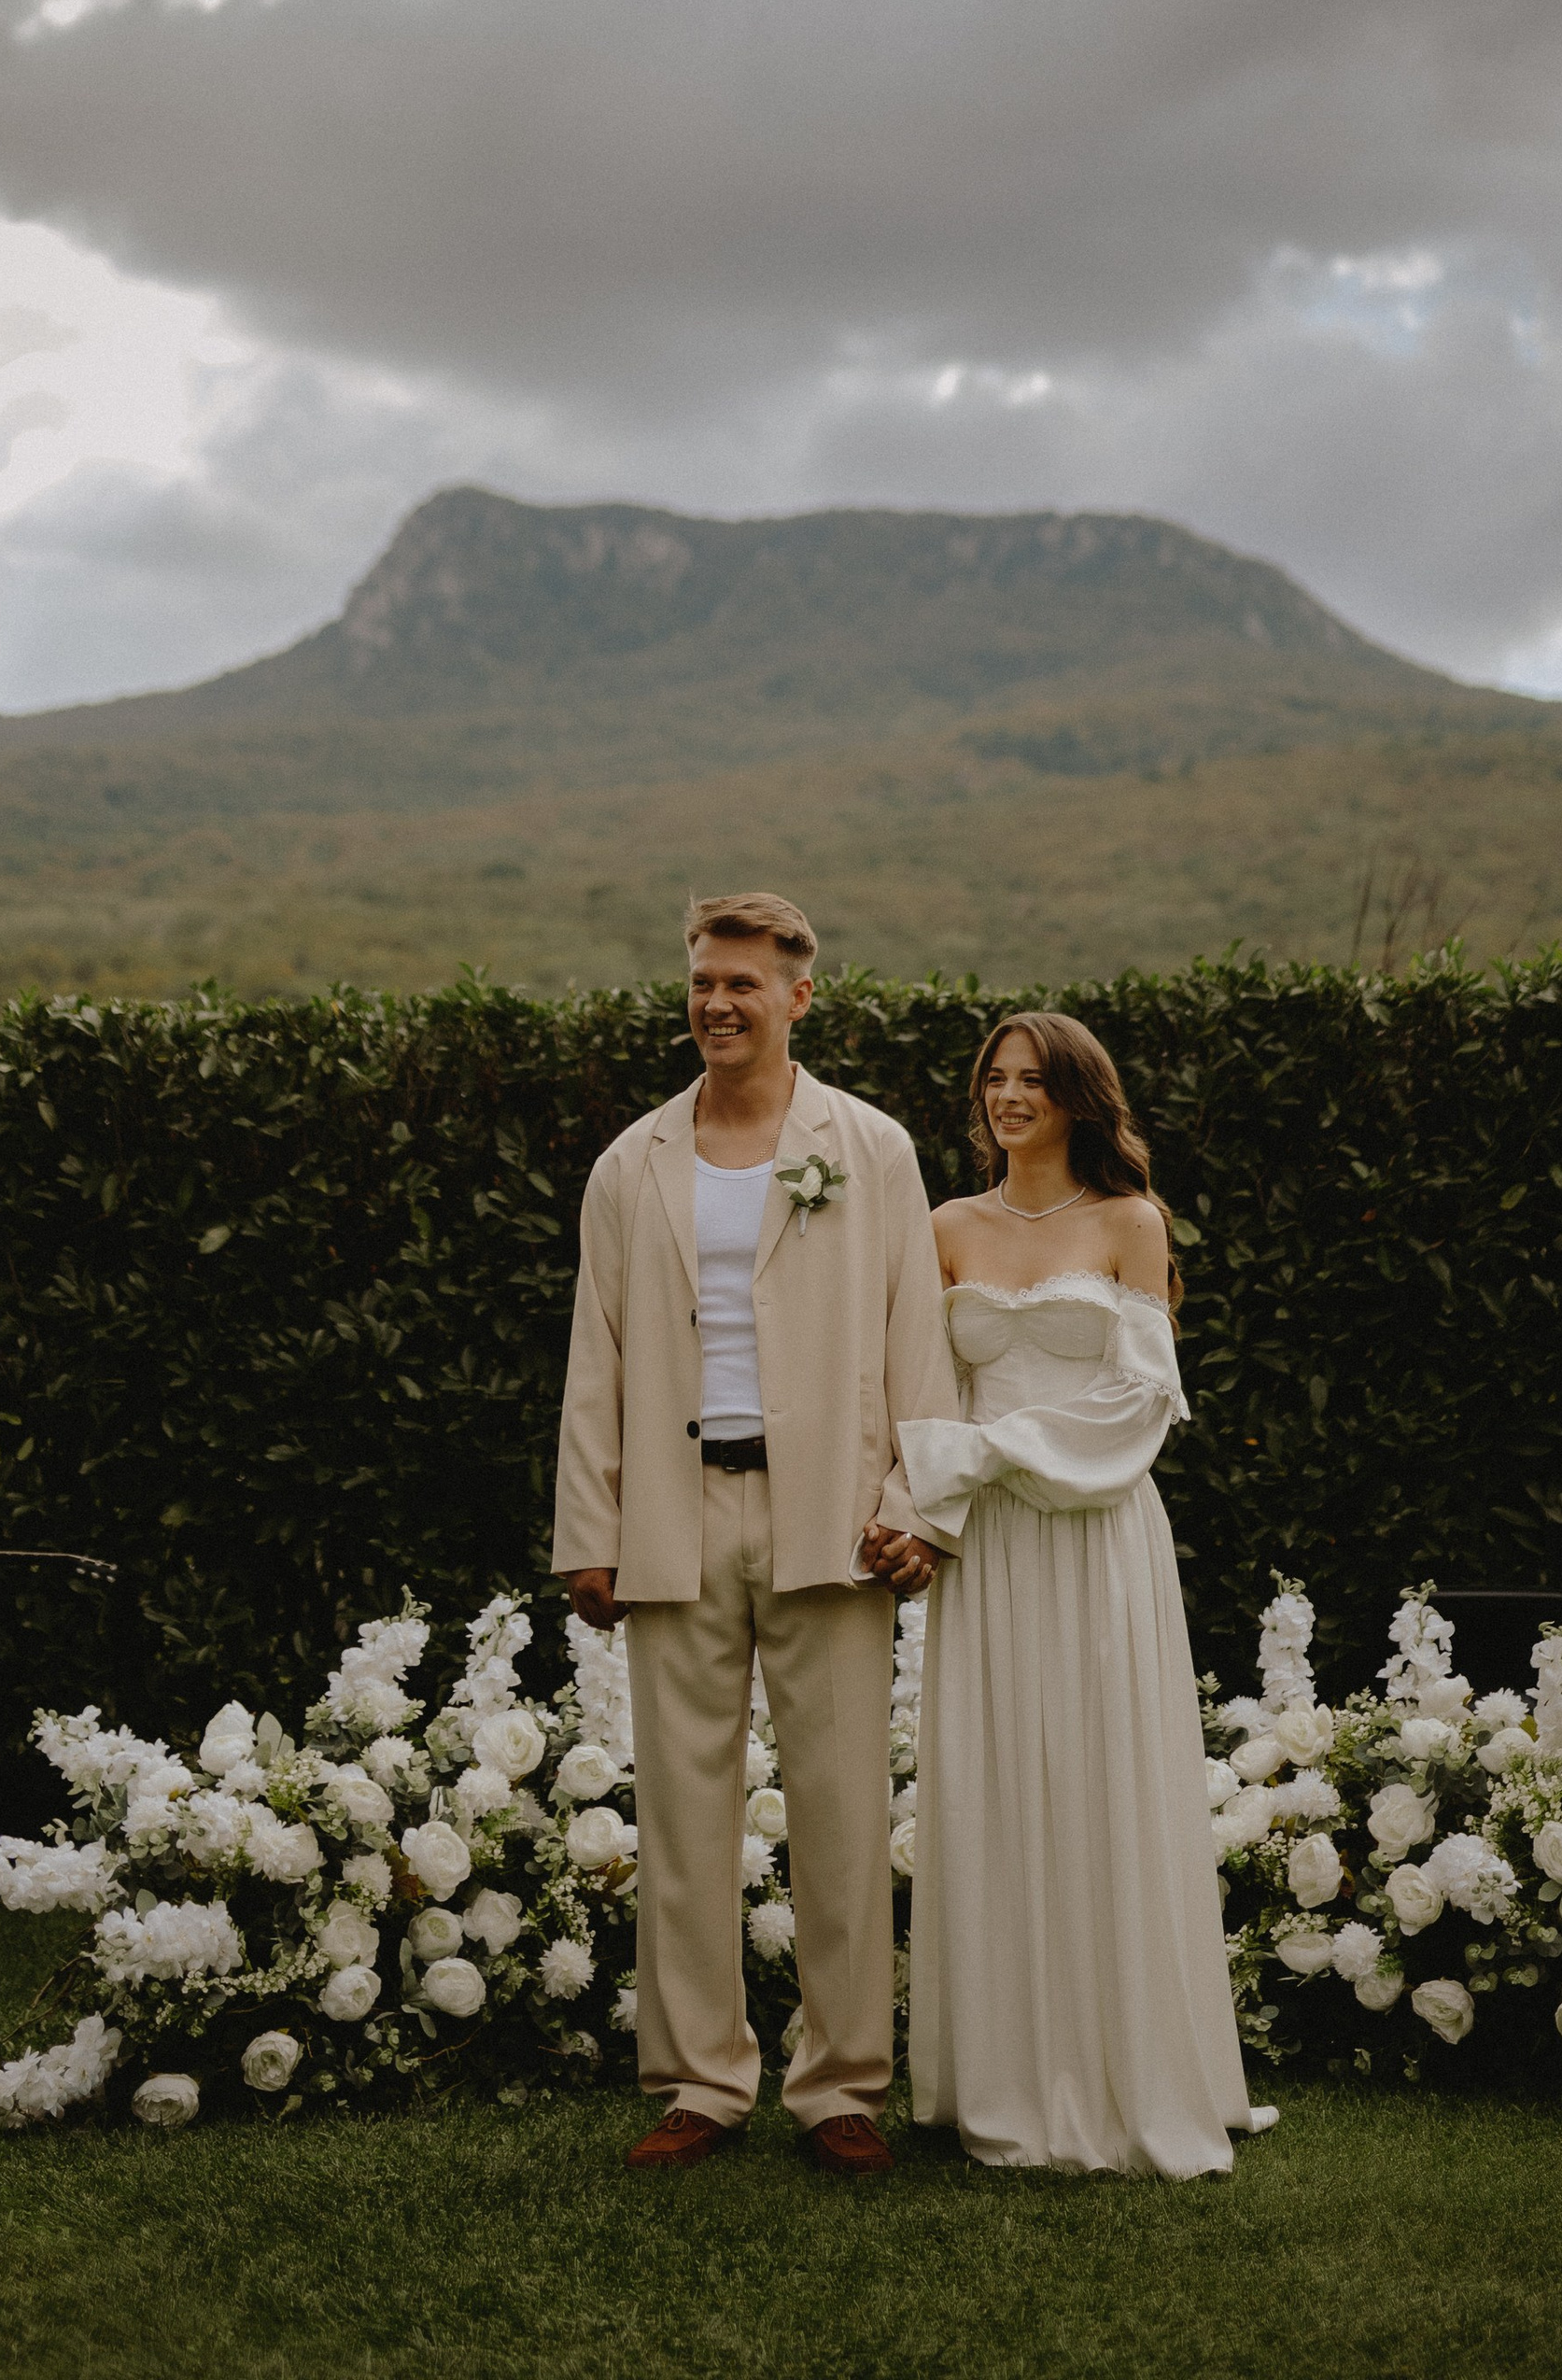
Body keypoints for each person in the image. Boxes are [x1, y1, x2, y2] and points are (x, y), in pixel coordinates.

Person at [552, 890, 960, 2176]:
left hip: (832, 1517)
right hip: (676, 1514)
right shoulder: (632, 1165)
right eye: (701, 983)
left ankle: (841, 2086)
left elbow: (917, 1341)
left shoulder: (874, 1149)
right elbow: (595, 1361)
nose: (717, 1003)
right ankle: (701, 2083)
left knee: (841, 1813)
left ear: (799, 996)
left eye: (743, 983)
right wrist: (589, 1529)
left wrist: (915, 1506)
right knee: (683, 1819)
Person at [898, 1011, 1270, 2175]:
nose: (1010, 1098)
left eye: (1034, 1081)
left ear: (1077, 1098)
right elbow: (914, 1384)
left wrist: (983, 1451)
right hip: (991, 1548)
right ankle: (1001, 2078)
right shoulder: (944, 1226)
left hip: (1097, 1534)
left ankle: (1130, 2077)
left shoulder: (1129, 1222)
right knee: (998, 1781)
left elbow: (1138, 1403)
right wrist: (940, 1492)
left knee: (1102, 1778)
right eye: (994, 1080)